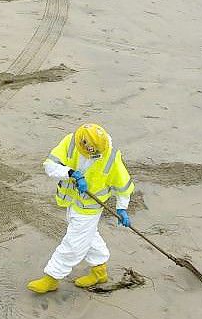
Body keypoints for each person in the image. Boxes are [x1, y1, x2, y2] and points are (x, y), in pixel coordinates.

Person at [27, 123, 135, 293]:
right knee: (88, 235)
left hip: (90, 208)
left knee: (74, 243)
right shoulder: (71, 142)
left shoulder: (111, 157)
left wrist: (122, 208)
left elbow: (123, 185)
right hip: (73, 202)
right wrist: (71, 173)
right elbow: (49, 165)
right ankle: (100, 271)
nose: (92, 155)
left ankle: (52, 278)